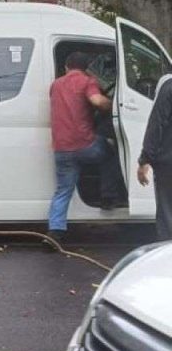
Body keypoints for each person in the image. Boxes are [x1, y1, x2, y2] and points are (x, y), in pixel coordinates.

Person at [47, 52, 118, 240]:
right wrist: (115, 105)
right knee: (110, 151)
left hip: (62, 149)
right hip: (85, 146)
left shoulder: (55, 85)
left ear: (66, 67)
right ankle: (107, 197)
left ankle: (55, 232)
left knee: (63, 190)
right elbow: (97, 101)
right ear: (85, 68)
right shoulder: (88, 81)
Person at [138, 73, 172, 239]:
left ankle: (167, 257)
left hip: (168, 163)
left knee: (167, 215)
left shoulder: (168, 88)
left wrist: (145, 159)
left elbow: (157, 124)